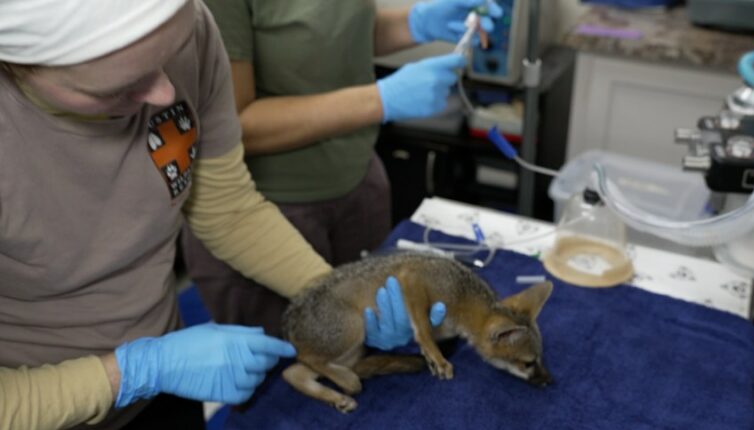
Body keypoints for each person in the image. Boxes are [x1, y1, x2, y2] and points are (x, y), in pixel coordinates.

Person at [0, 1, 446, 429]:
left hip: (162, 384)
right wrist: (136, 371)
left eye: (171, 55)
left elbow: (227, 209)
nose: (166, 94)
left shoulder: (191, 29)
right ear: (17, 65)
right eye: (119, 88)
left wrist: (334, 295)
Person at [183, 0, 501, 336]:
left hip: (358, 181)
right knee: (298, 362)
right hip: (272, 212)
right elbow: (231, 127)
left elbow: (327, 38)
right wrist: (378, 100)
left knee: (369, 346)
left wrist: (413, 24)